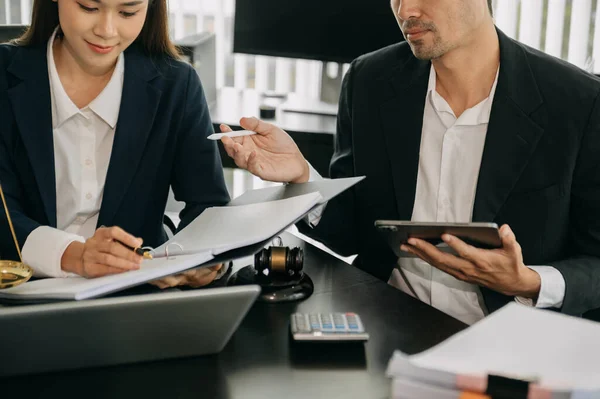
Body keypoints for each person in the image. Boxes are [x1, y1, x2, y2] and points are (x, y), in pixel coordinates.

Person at [220, 0, 600, 324]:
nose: (406, 11)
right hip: (388, 323)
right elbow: (351, 232)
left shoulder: (578, 102)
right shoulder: (369, 80)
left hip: (511, 337)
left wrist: (530, 281)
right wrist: (303, 177)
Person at [0, 0, 229, 288]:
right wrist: (74, 255)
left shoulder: (177, 86)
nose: (106, 31)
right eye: (88, 7)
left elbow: (209, 207)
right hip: (16, 301)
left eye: (128, 12)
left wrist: (200, 260)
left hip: (133, 305)